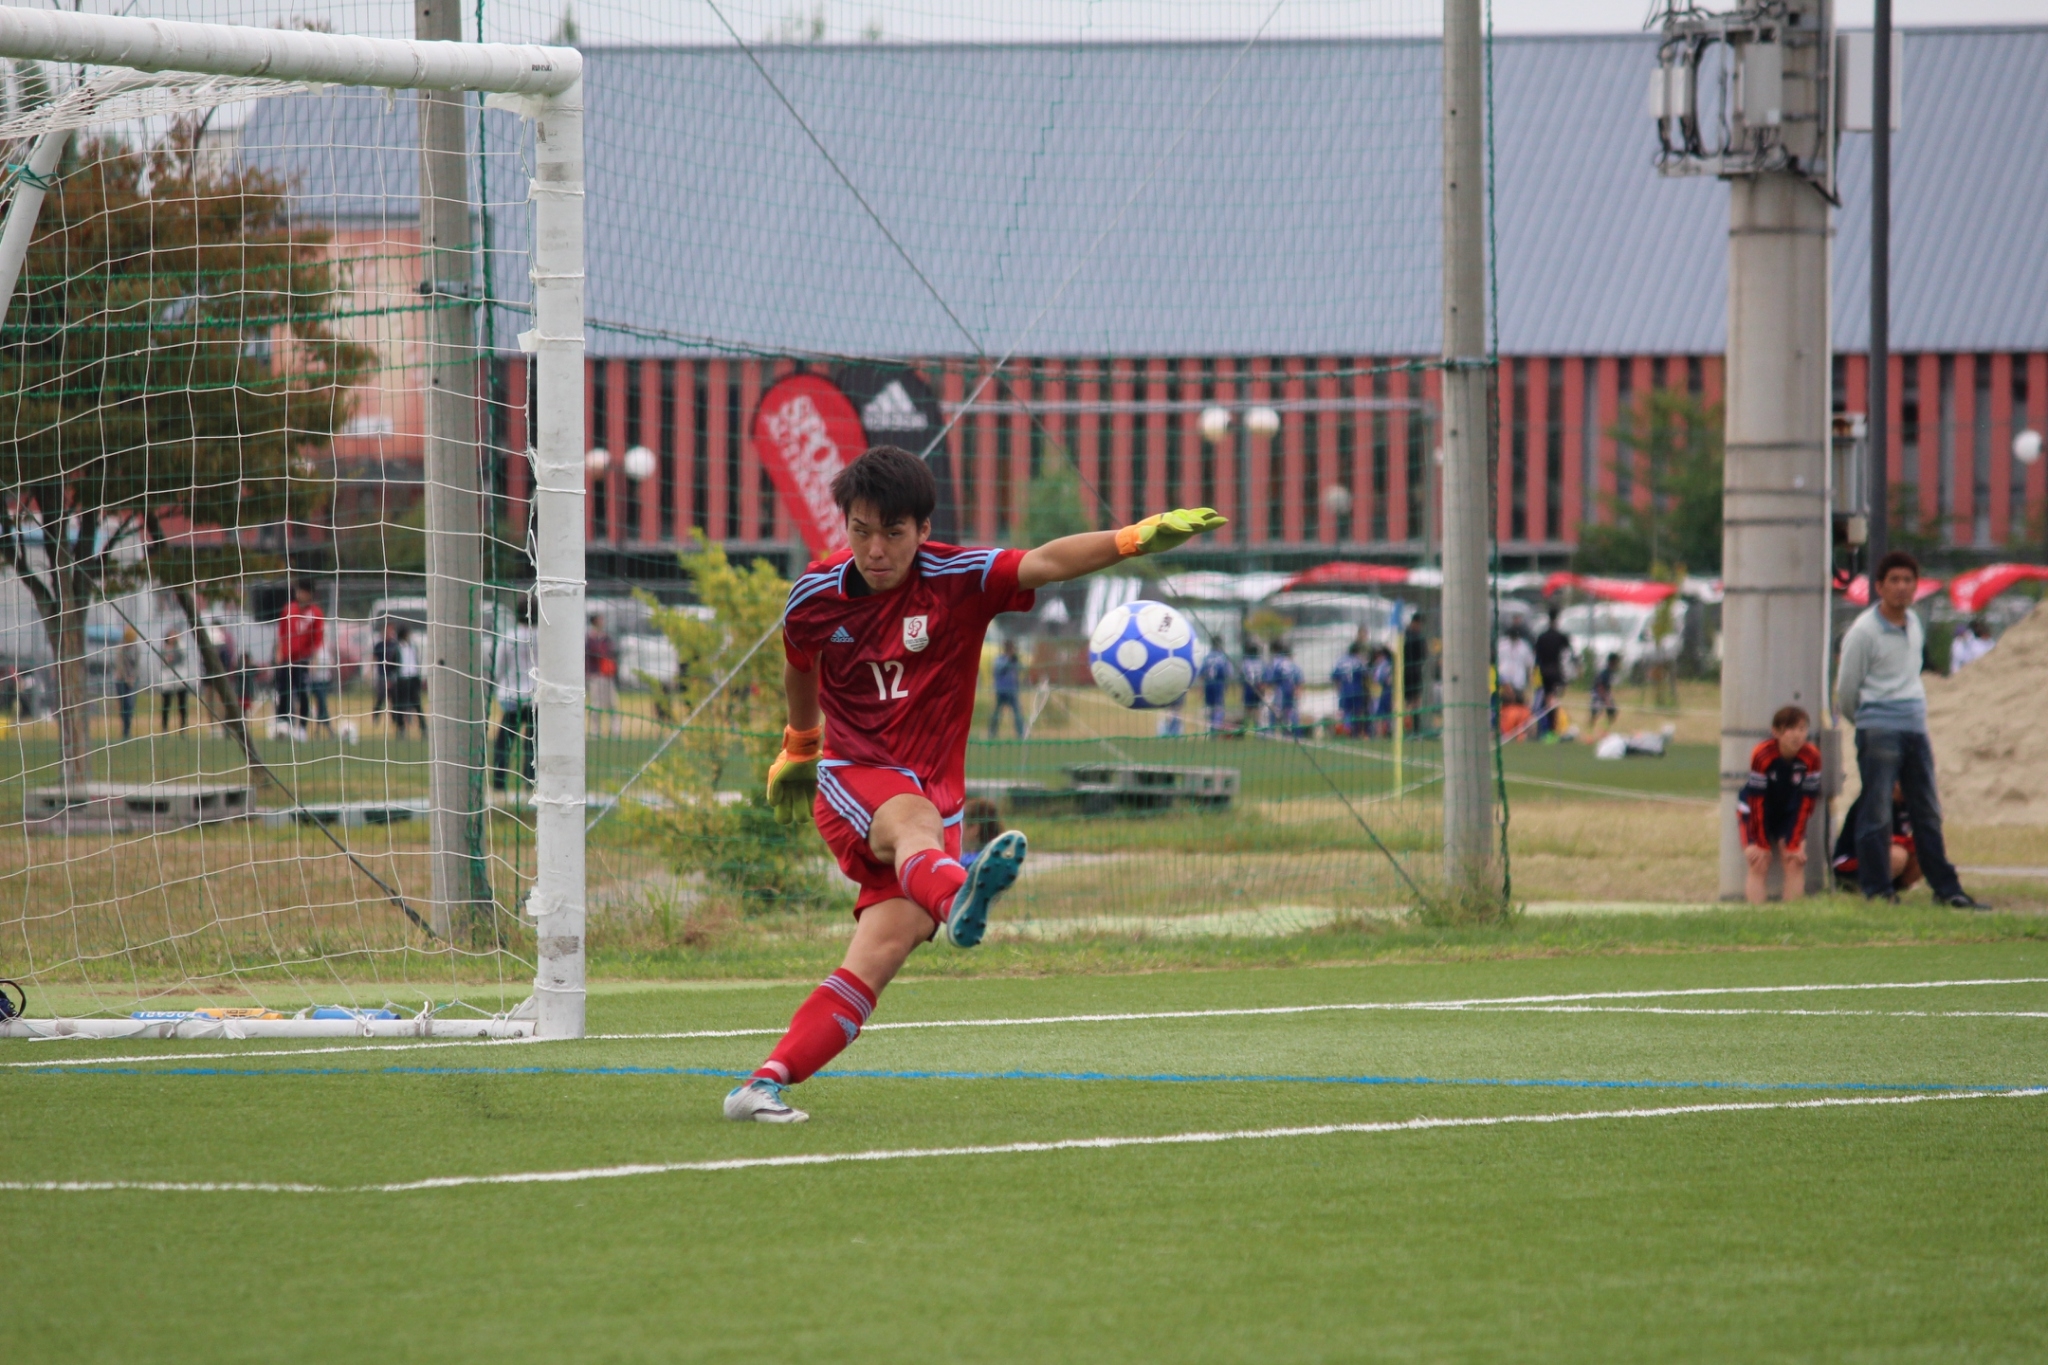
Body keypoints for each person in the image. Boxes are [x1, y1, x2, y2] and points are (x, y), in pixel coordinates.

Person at [726, 445, 1224, 1123]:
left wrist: (1130, 539)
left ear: (923, 530)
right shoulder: (816, 593)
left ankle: (761, 1084)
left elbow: (1045, 561)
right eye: (861, 531)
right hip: (856, 777)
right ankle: (958, 890)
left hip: (936, 800)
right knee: (913, 822)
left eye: (892, 533)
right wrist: (802, 745)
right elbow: (798, 663)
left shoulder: (957, 578)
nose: (875, 549)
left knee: (879, 955)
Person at [1835, 551, 1988, 909]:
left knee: (1926, 810)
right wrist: (1866, 721)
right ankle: (1877, 891)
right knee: (1877, 810)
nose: (1902, 587)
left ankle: (1947, 891)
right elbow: (1846, 689)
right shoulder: (1864, 631)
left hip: (1914, 727)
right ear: (1879, 587)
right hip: (1878, 728)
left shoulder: (1915, 624)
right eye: (1894, 580)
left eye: (1908, 580)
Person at [1737, 705, 1822, 903]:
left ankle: (1790, 915)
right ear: (1776, 732)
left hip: (1790, 811)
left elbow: (1807, 801)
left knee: (1794, 861)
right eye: (1790, 729)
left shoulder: (1812, 756)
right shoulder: (1762, 753)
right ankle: (1756, 915)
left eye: (1802, 729)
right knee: (1759, 861)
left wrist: (1794, 843)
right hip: (1757, 811)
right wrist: (1760, 842)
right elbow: (1756, 799)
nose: (1797, 735)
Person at [1832, 783, 1921, 895]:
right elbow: (1878, 840)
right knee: (1898, 855)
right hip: (1851, 860)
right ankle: (1866, 888)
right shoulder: (1875, 801)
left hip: (1883, 855)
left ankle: (1894, 889)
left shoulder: (1909, 804)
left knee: (1925, 852)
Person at [491, 598, 538, 790]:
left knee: (504, 743)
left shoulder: (508, 637)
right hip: (535, 697)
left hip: (512, 697)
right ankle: (530, 782)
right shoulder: (543, 637)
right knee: (533, 744)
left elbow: (498, 667)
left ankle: (499, 782)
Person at [275, 579, 324, 737]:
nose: (298, 594)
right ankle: (282, 724)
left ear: (309, 594)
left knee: (302, 693)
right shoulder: (288, 610)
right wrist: (279, 653)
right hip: (287, 659)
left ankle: (302, 727)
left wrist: (314, 661)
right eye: (297, 591)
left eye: (302, 591)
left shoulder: (316, 613)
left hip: (303, 660)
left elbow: (317, 640)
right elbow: (281, 634)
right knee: (284, 691)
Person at [1533, 607, 1573, 738]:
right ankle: (1553, 729)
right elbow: (1568, 653)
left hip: (1544, 671)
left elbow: (1537, 656)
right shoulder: (1560, 637)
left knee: (1548, 699)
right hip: (1556, 671)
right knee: (1552, 699)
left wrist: (1535, 671)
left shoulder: (1542, 637)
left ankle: (1551, 728)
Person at [586, 612, 620, 738]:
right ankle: (595, 730)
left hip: (607, 674)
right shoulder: (590, 638)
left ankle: (615, 730)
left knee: (612, 703)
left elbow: (611, 653)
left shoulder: (606, 638)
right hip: (596, 675)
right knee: (596, 704)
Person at [156, 626, 192, 732]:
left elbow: (184, 656)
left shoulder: (181, 647)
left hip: (180, 679)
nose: (173, 637)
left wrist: (178, 642)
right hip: (167, 680)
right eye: (171, 635)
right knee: (166, 704)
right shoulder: (163, 648)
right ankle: (164, 727)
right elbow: (161, 663)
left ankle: (183, 727)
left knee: (182, 704)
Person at [391, 626, 424, 738]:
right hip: (402, 679)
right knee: (400, 705)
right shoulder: (397, 648)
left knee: (417, 704)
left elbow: (415, 661)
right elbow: (392, 664)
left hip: (413, 678)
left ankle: (423, 727)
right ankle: (401, 729)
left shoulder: (413, 647)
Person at [988, 639, 1024, 739]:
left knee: (1017, 712)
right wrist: (1008, 659)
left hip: (1012, 691)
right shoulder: (1000, 659)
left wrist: (1016, 661)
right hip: (1001, 691)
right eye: (1012, 649)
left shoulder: (1014, 660)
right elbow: (998, 670)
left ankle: (1021, 733)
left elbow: (1020, 670)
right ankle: (992, 733)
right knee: (997, 713)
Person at [1331, 641, 1369, 737]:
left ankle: (1347, 729)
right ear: (1357, 652)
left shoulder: (1340, 661)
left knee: (1345, 711)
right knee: (1358, 711)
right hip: (1357, 690)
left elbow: (1334, 677)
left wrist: (1339, 689)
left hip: (1345, 691)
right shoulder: (1358, 661)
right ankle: (1357, 732)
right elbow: (1366, 675)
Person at [1265, 641, 1303, 732]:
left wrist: (1268, 690)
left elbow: (1270, 678)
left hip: (1280, 690)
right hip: (1291, 689)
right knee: (1291, 711)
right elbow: (1299, 678)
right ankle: (1294, 732)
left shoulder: (1275, 662)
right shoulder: (1292, 663)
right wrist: (1298, 691)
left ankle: (1272, 731)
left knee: (1275, 711)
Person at [371, 620, 401, 730]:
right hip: (381, 676)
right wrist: (370, 672)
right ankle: (375, 717)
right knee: (381, 698)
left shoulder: (395, 645)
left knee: (395, 700)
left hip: (393, 676)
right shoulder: (379, 645)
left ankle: (396, 721)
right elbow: (374, 658)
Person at [1497, 622, 1535, 704]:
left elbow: (1529, 663)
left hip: (1518, 680)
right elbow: (1498, 662)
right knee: (1505, 704)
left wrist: (1530, 678)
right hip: (1505, 680)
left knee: (1518, 703)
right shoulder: (1502, 645)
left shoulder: (1524, 646)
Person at [113, 626, 141, 740]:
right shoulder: (120, 649)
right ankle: (124, 729)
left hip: (133, 680)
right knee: (123, 705)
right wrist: (126, 678)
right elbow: (120, 665)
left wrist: (133, 677)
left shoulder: (137, 649)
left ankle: (128, 728)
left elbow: (137, 665)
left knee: (130, 704)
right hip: (121, 680)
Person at [1197, 646, 1232, 734]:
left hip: (1208, 684)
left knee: (1209, 707)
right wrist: (1227, 686)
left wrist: (1201, 688)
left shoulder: (1207, 657)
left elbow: (1201, 674)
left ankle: (1211, 729)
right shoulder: (1223, 657)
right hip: (1219, 684)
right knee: (1218, 707)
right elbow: (1228, 673)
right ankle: (1217, 729)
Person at [1367, 643, 1396, 737]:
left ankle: (1379, 734)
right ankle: (1393, 732)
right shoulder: (1391, 663)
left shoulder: (1382, 665)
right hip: (1392, 692)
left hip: (1383, 692)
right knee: (1392, 713)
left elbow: (1378, 679)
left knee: (1379, 715)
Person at [1589, 652, 1621, 734]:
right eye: (1616, 661)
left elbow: (1607, 687)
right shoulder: (1605, 672)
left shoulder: (1610, 672)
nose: (1617, 664)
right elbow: (1600, 686)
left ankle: (1606, 730)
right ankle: (1590, 730)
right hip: (1598, 694)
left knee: (1612, 711)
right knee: (1595, 712)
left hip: (1604, 694)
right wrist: (1606, 699)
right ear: (1612, 662)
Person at [1239, 647, 1266, 730]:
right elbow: (1265, 676)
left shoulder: (1245, 663)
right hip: (1259, 687)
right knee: (1258, 709)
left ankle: (1244, 728)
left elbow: (1241, 677)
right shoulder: (1261, 663)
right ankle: (1258, 728)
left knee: (1247, 710)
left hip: (1248, 687)